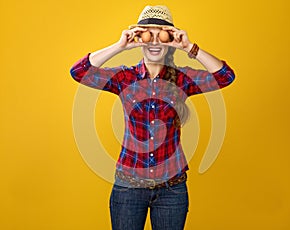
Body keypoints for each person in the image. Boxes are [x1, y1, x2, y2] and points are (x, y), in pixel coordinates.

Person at [70, 5, 235, 230]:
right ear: (140, 39)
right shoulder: (125, 78)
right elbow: (79, 72)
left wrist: (189, 47)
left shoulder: (182, 80)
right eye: (148, 34)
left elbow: (225, 77)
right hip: (128, 188)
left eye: (162, 35)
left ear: (170, 41)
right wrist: (120, 46)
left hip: (172, 190)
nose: (155, 41)